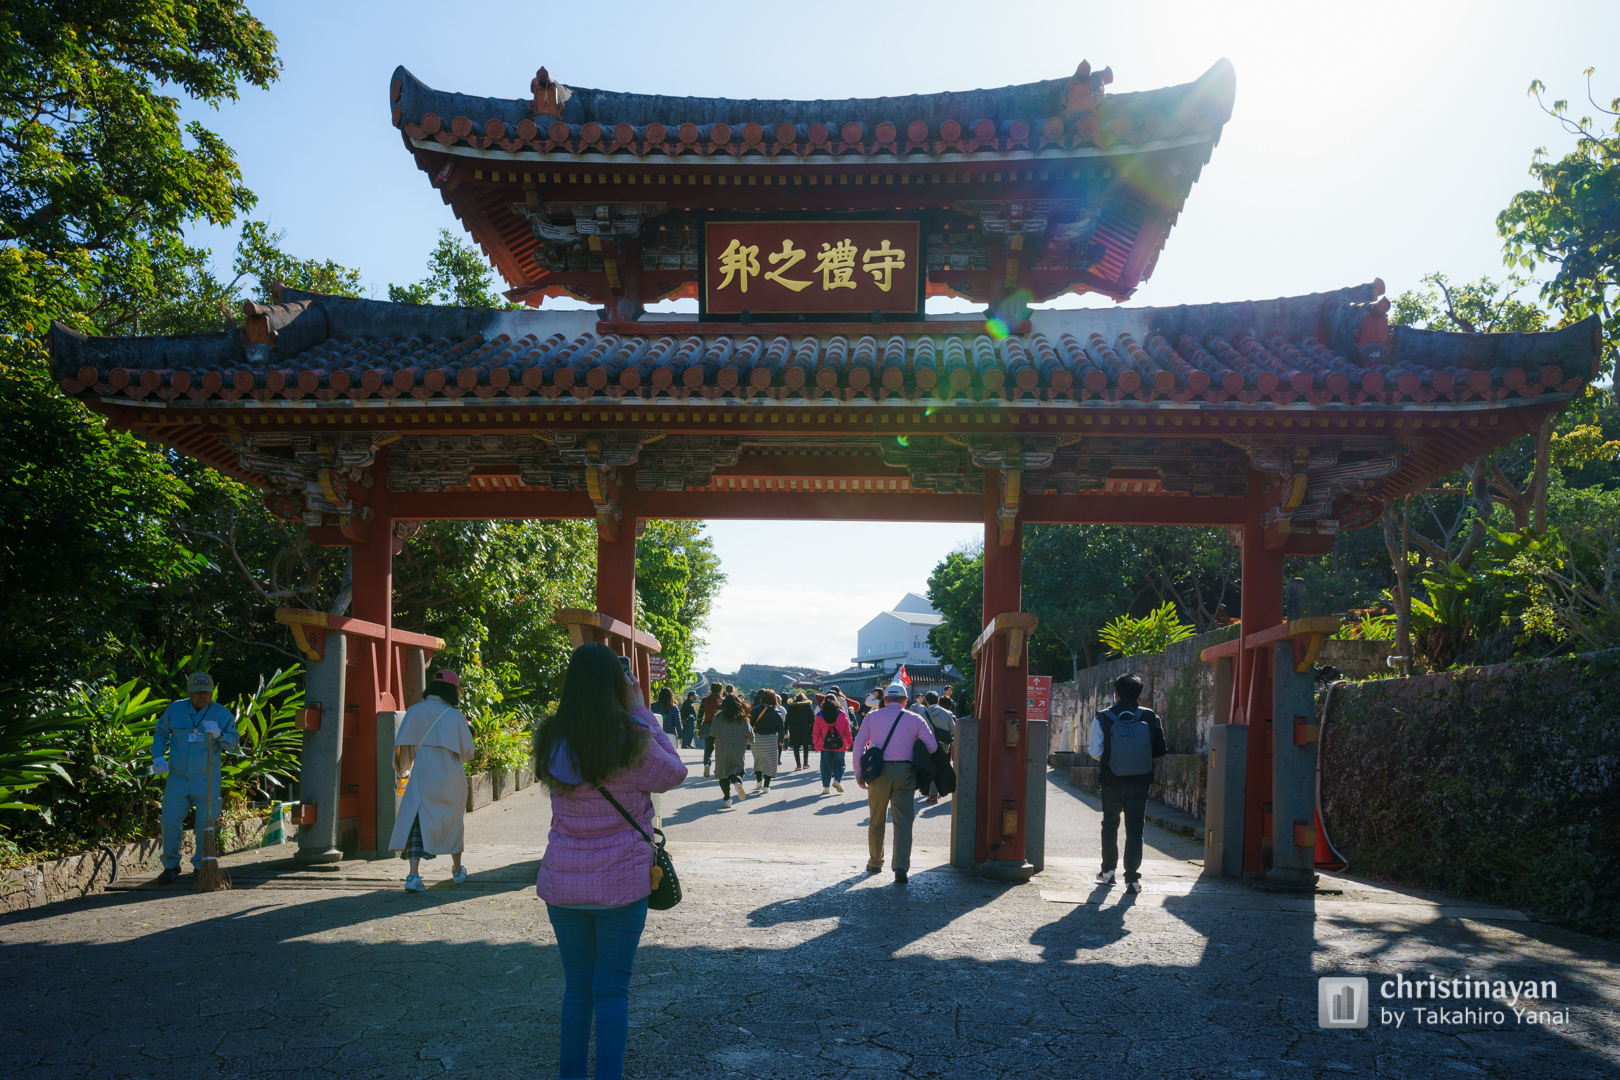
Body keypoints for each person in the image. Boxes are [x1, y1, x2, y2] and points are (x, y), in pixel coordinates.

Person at [534, 642, 686, 1080]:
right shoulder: (632, 740)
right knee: (613, 991)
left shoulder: (550, 740)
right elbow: (674, 773)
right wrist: (641, 710)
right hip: (621, 881)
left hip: (563, 884)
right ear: (617, 685)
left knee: (577, 989)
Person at [388, 670, 477, 892]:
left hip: (422, 777)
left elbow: (403, 753)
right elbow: (468, 753)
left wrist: (402, 771)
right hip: (451, 780)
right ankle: (457, 870)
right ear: (452, 691)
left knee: (417, 824)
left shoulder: (414, 711)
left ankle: (413, 876)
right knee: (452, 822)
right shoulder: (455, 716)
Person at [152, 672, 240, 885]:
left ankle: (202, 866)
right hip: (178, 777)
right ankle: (171, 865)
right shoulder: (175, 709)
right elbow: (160, 733)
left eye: (206, 692)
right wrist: (157, 757)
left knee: (205, 824)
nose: (202, 696)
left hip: (207, 778)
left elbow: (234, 743)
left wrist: (220, 735)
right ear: (188, 691)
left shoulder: (222, 714)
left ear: (212, 692)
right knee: (169, 821)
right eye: (197, 692)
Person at [1087, 673, 1168, 894]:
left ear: (1116, 692)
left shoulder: (1103, 717)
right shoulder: (1151, 717)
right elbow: (1160, 750)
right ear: (1140, 693)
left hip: (1111, 780)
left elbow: (1095, 752)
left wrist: (1115, 758)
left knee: (1110, 824)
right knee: (1135, 829)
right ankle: (1132, 879)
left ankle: (1108, 871)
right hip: (1140, 782)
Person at [850, 681, 937, 884]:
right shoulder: (915, 719)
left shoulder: (872, 717)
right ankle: (900, 868)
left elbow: (858, 744)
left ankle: (875, 862)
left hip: (878, 773)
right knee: (903, 822)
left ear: (885, 700)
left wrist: (858, 772)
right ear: (905, 701)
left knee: (876, 819)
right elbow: (932, 747)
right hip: (905, 772)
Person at [711, 692, 754, 805]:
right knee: (738, 769)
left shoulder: (718, 717)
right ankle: (737, 781)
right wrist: (750, 740)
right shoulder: (742, 718)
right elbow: (751, 735)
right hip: (738, 748)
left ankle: (727, 798)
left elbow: (712, 732)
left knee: (723, 774)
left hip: (722, 748)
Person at [919, 691, 956, 804]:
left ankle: (932, 794)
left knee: (931, 767)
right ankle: (939, 790)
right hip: (944, 744)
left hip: (928, 744)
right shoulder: (947, 713)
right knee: (940, 766)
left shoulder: (923, 714)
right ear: (938, 701)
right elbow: (953, 730)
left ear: (927, 702)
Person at [812, 693, 852, 796]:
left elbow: (816, 731)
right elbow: (846, 730)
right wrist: (849, 742)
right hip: (840, 743)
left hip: (825, 744)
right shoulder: (842, 714)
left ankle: (826, 787)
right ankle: (837, 780)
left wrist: (815, 743)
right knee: (840, 764)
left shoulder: (820, 715)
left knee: (825, 766)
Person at [750, 689, 786, 792]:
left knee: (758, 760)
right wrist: (781, 739)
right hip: (771, 739)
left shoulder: (755, 709)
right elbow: (781, 728)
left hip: (756, 738)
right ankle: (766, 785)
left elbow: (750, 725)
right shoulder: (776, 711)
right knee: (770, 762)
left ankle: (758, 782)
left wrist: (748, 737)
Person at [784, 692, 815, 770]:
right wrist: (812, 730)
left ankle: (798, 765)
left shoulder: (792, 706)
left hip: (794, 728)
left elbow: (788, 719)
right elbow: (812, 719)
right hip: (806, 728)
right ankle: (805, 763)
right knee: (805, 746)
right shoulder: (808, 706)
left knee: (796, 746)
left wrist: (785, 729)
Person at [699, 684, 722, 777]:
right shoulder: (723, 701)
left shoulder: (705, 699)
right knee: (720, 749)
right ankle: (718, 769)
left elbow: (700, 715)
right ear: (721, 691)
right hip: (720, 728)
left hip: (708, 726)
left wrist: (698, 728)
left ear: (711, 690)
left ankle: (707, 764)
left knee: (708, 748)